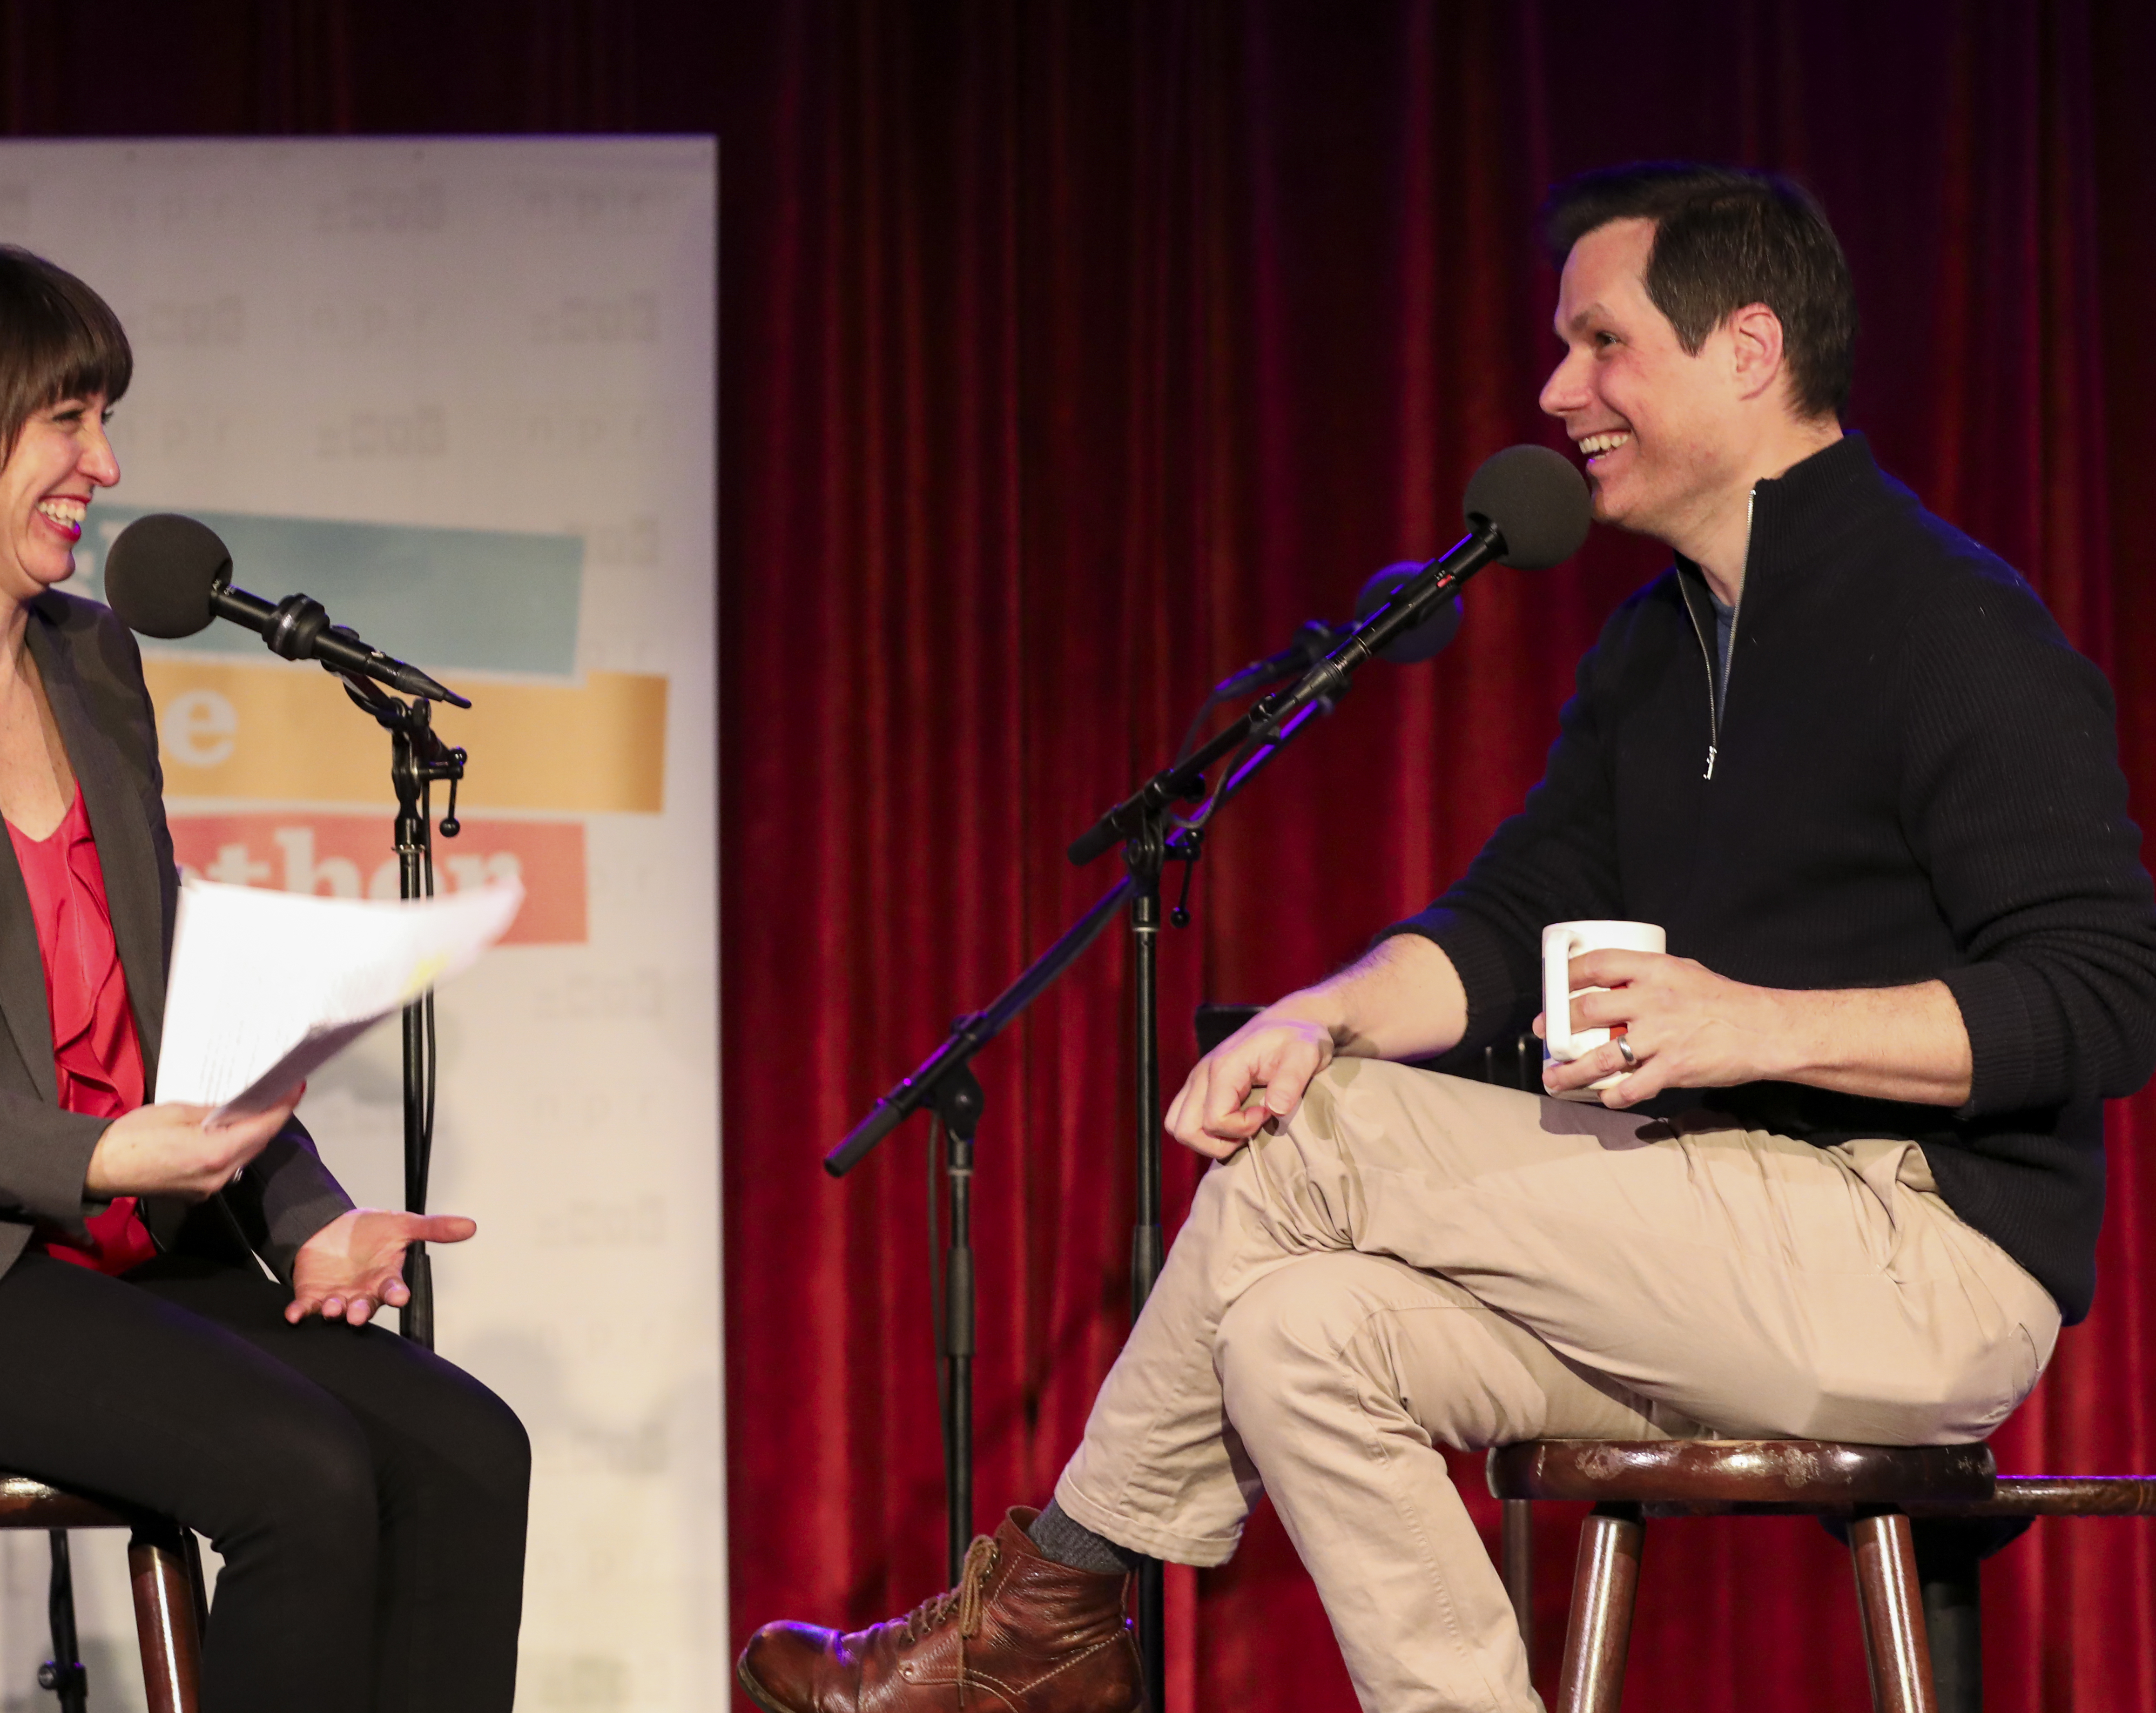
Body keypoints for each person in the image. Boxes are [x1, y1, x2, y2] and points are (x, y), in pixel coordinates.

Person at [736, 164, 2156, 1713]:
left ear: (1747, 350)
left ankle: (1053, 1612)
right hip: (1698, 1242)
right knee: (1291, 1331)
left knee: (1324, 1140)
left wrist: (1752, 1024)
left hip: (1915, 1260)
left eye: (1600, 344)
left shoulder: (1953, 627)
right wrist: (1314, 1016)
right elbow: (1499, 923)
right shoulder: (1654, 648)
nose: (1557, 392)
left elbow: (2103, 997)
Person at [0, 245, 530, 1713]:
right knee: (300, 1471)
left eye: (102, 418)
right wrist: (91, 1154)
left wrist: (309, 1221)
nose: (106, 462)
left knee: (466, 1450)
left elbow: (166, 984)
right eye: (67, 420)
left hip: (95, 1260)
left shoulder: (89, 660)